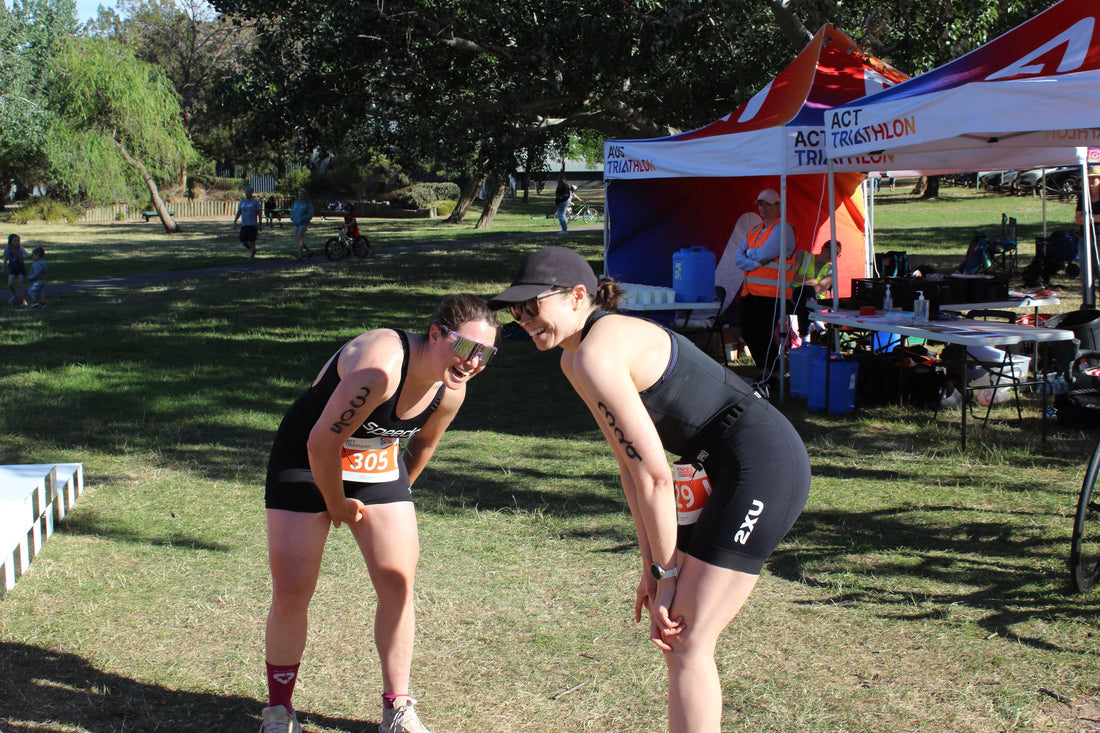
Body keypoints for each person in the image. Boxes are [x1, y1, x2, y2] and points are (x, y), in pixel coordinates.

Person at [489, 246, 810, 733]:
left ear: (578, 296)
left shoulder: (598, 352)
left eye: (532, 306)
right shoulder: (575, 361)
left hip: (762, 463)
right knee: (682, 639)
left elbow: (656, 477)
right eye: (516, 310)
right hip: (719, 465)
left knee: (687, 639)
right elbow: (630, 466)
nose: (524, 319)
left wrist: (666, 575)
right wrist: (653, 566)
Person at [259, 294, 500, 733]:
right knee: (293, 590)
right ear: (435, 334)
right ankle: (279, 711)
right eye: (466, 348)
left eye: (486, 354)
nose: (473, 363)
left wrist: (396, 493)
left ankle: (398, 708)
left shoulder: (451, 390)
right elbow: (320, 444)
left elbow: (424, 444)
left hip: (374, 463)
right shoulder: (381, 368)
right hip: (307, 457)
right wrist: (336, 505)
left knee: (398, 582)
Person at [732, 188, 798, 385]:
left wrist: (751, 255)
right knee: (749, 332)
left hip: (773, 293)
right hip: (750, 292)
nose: (763, 208)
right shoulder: (754, 230)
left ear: (779, 206)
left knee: (766, 335)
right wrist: (755, 258)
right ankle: (764, 370)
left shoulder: (783, 228)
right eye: (761, 204)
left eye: (768, 204)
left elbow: (764, 253)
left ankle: (774, 373)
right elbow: (739, 258)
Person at [792, 240, 841, 339]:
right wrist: (813, 281)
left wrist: (806, 282)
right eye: (831, 250)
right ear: (823, 248)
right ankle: (820, 330)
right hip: (793, 296)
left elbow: (820, 289)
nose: (833, 255)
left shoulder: (831, 269)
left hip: (816, 302)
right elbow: (790, 276)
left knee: (807, 295)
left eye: (836, 254)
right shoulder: (803, 256)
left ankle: (806, 336)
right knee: (806, 293)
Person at [234, 186, 264, 260]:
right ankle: (252, 250)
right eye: (246, 191)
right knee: (243, 240)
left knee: (252, 240)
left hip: (253, 224)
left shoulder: (255, 202)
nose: (247, 193)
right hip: (244, 224)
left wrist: (260, 224)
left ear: (252, 192)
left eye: (249, 191)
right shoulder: (242, 202)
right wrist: (235, 221)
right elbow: (239, 211)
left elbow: (260, 212)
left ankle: (251, 257)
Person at [290, 189, 315, 260]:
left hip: (303, 223)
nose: (300, 195)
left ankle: (300, 255)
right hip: (296, 222)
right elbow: (292, 211)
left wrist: (304, 218)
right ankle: (309, 251)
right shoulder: (296, 202)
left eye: (301, 193)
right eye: (299, 193)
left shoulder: (307, 203)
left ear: (304, 194)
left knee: (299, 238)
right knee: (299, 239)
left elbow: (310, 213)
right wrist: (292, 218)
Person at [4, 233, 28, 305]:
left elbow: (26, 254)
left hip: (21, 268)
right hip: (12, 269)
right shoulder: (7, 249)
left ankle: (24, 300)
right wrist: (3, 268)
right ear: (10, 242)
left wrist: (34, 254)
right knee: (10, 284)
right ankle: (15, 295)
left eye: (18, 240)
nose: (17, 242)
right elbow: (5, 259)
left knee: (20, 284)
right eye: (15, 241)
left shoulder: (20, 249)